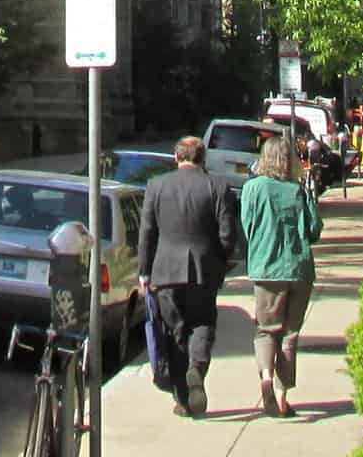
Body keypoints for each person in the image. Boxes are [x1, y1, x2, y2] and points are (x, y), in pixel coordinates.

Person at [136, 134, 239, 418]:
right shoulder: (217, 185)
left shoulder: (156, 186)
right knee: (203, 322)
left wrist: (144, 271)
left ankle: (182, 399)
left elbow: (147, 232)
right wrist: (220, 262)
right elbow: (228, 234)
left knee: (175, 332)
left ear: (176, 157)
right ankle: (197, 368)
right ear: (202, 158)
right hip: (204, 270)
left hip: (165, 271)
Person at [238, 135, 322, 417]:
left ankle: (265, 377)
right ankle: (283, 398)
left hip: (266, 267)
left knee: (266, 328)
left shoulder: (252, 188)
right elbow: (314, 230)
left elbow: (247, 228)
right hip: (298, 268)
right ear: (289, 161)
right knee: (290, 334)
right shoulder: (298, 190)